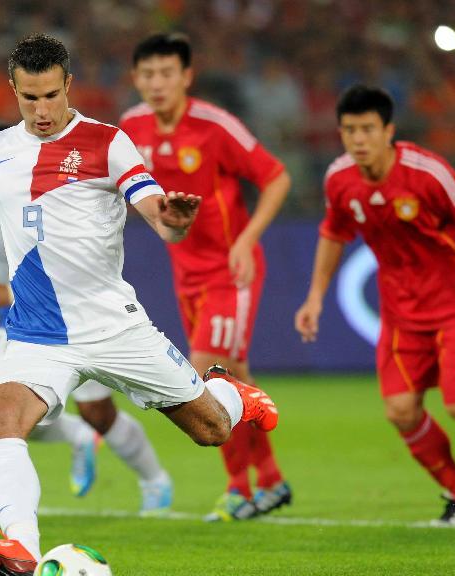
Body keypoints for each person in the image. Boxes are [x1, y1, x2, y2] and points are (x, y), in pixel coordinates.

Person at [0, 34, 279, 576]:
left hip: (114, 327)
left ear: (69, 87)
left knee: (212, 430)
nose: (40, 110)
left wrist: (174, 217)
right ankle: (23, 553)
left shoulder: (109, 143)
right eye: (28, 98)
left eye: (50, 96)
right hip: (38, 333)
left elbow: (156, 211)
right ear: (13, 90)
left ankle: (234, 395)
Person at [294, 84, 455, 525]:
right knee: (400, 410)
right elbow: (334, 233)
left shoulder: (428, 172)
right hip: (400, 313)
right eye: (349, 130)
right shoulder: (339, 179)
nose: (358, 139)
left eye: (367, 129)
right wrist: (315, 296)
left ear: (388, 130)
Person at [0, 123, 174, 514]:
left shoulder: (49, 195)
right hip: (21, 325)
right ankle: (80, 438)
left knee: (99, 413)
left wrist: (1, 292)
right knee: (14, 419)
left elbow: (67, 273)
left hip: (76, 318)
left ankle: (155, 481)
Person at [120, 33, 292, 522]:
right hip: (186, 272)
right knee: (235, 380)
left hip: (229, 271)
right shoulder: (131, 126)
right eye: (148, 74)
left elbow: (276, 176)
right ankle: (273, 481)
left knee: (203, 375)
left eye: (166, 73)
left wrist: (244, 239)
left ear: (186, 77)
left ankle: (238, 489)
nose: (157, 84)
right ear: (136, 79)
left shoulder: (215, 126)